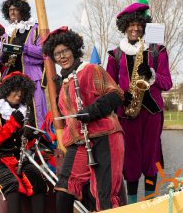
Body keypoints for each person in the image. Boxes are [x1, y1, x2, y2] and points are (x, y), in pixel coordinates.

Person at [42, 27, 125, 212]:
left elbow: (117, 95)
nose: (62, 57)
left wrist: (92, 111)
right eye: (57, 54)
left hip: (106, 135)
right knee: (64, 188)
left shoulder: (91, 69)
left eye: (65, 51)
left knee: (105, 194)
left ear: (73, 49)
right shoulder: (62, 84)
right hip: (78, 141)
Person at [106, 0, 173, 203]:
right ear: (124, 27)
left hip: (152, 112)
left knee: (152, 157)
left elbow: (167, 83)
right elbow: (108, 86)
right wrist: (120, 97)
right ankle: (134, 204)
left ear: (144, 27)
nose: (135, 29)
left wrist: (151, 74)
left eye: (139, 25)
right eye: (131, 25)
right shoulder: (114, 54)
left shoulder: (157, 50)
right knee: (131, 160)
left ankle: (152, 201)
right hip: (127, 113)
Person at [0, 71, 46, 213]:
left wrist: (32, 137)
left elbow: (27, 144)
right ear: (7, 90)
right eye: (15, 90)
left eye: (22, 92)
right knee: (13, 186)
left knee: (38, 184)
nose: (19, 94)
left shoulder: (26, 111)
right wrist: (12, 123)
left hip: (21, 158)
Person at [0, 0, 47, 128]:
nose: (12, 12)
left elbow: (44, 52)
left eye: (15, 9)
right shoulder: (6, 34)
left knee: (35, 111)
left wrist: (24, 47)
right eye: (10, 10)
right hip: (12, 79)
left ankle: (40, 141)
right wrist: (4, 57)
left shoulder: (35, 29)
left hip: (32, 77)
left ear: (23, 11)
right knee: (12, 113)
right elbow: (2, 58)